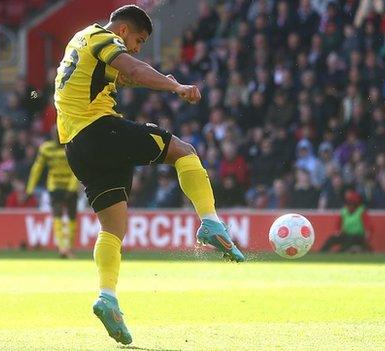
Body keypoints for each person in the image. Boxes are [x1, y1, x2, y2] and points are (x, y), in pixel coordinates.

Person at [54, 5, 245, 345]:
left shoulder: (79, 40)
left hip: (75, 146)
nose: (137, 47)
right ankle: (210, 222)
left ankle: (107, 296)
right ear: (124, 30)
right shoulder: (104, 37)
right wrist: (177, 88)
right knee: (185, 152)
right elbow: (133, 67)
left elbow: (125, 75)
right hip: (98, 129)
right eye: (138, 40)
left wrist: (164, 82)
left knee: (113, 227)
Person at [26, 127, 79, 258]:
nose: (57, 136)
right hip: (55, 186)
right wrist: (30, 187)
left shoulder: (72, 146)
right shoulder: (46, 148)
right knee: (57, 213)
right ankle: (62, 248)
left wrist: (72, 187)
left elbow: (77, 167)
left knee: (72, 215)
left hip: (70, 186)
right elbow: (37, 168)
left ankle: (68, 247)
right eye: (55, 134)